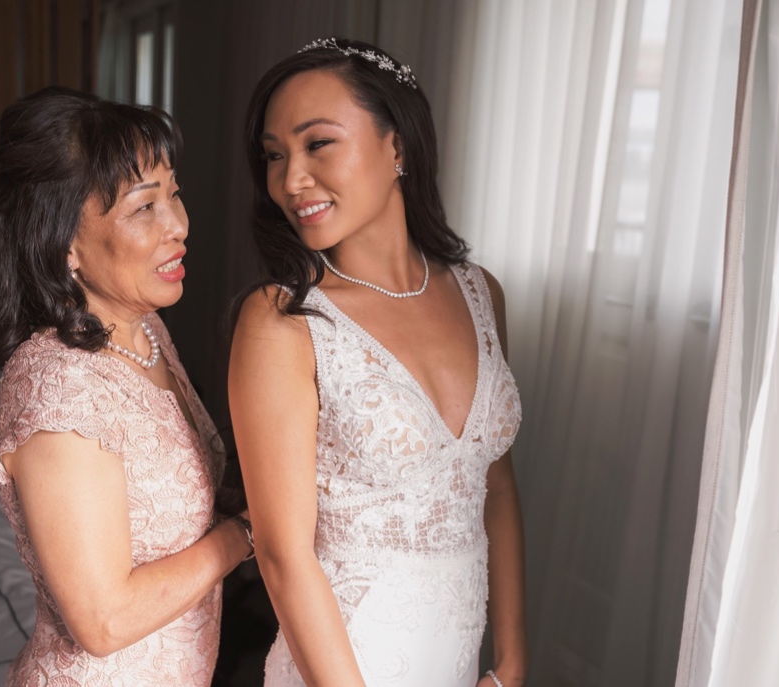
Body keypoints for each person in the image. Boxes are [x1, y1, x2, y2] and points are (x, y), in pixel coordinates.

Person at [227, 38, 527, 687]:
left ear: (398, 145)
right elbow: (282, 555)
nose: (290, 179)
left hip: (456, 659)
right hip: (341, 665)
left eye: (317, 144)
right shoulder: (282, 321)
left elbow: (495, 485)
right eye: (274, 156)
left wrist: (512, 657)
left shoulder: (480, 293)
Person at [0, 87, 252, 685]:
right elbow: (102, 621)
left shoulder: (142, 330)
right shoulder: (60, 388)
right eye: (142, 208)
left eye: (173, 193)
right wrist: (246, 535)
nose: (179, 224)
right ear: (64, 243)